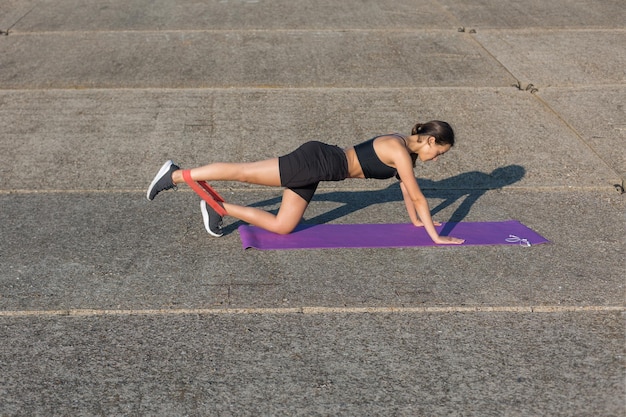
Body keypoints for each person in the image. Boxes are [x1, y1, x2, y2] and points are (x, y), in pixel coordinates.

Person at [147, 120, 465, 244]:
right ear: (430, 140)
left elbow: (409, 194)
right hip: (316, 162)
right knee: (245, 172)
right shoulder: (397, 148)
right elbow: (419, 195)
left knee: (283, 226)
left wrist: (418, 223)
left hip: (320, 170)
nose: (437, 159)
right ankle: (175, 175)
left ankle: (220, 209)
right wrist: (436, 237)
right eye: (440, 152)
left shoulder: (405, 155)